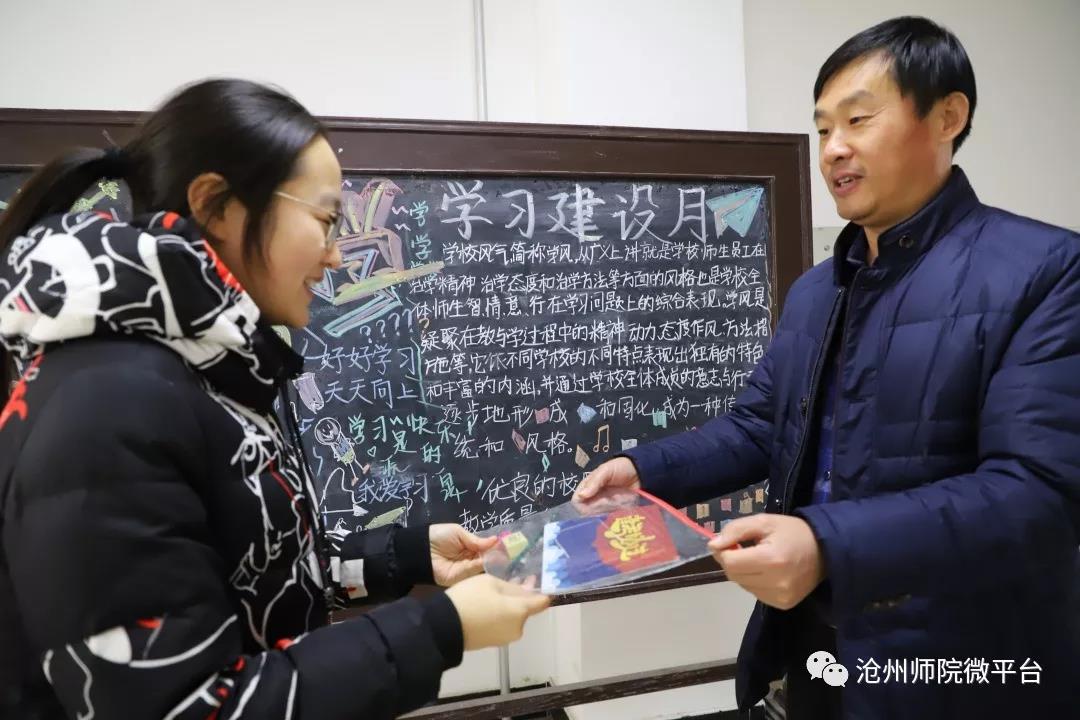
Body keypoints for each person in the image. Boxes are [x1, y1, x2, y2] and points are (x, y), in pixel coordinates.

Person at [576, 16, 1079, 720]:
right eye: (822, 129)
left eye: (858, 120)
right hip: (817, 650)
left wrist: (827, 544)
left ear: (947, 117)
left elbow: (1040, 494)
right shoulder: (820, 288)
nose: (834, 149)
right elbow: (758, 427)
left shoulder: (1046, 270)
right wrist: (645, 470)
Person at [0, 78, 549, 720]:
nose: (337, 256)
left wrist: (399, 560)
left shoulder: (207, 364)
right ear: (217, 205)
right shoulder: (108, 403)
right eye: (325, 220)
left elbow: (240, 575)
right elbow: (186, 707)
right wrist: (438, 630)